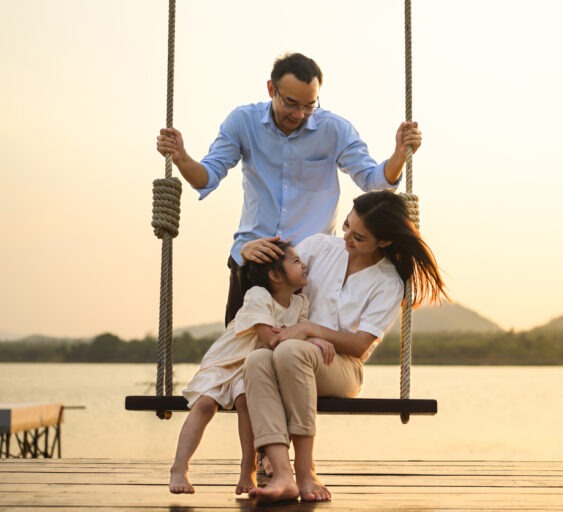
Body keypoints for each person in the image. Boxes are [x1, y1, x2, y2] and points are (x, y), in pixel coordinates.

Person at [155, 52, 422, 326]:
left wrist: (399, 155)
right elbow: (206, 178)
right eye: (291, 104)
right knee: (238, 358)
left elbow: (374, 181)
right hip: (252, 261)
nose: (300, 114)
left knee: (298, 354)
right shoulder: (242, 121)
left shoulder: (335, 130)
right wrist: (181, 158)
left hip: (311, 268)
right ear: (271, 89)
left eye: (309, 105)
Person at [240, 190, 447, 504]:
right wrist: (248, 249)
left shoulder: (388, 282)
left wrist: (310, 329)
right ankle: (282, 473)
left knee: (290, 351)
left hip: (342, 367)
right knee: (256, 359)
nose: (347, 237)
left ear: (384, 242)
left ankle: (306, 470)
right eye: (348, 226)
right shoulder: (319, 247)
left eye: (359, 237)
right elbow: (274, 277)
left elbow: (360, 344)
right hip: (291, 356)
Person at [168, 242, 309, 495]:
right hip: (226, 361)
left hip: (253, 365)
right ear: (275, 276)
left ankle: (248, 468)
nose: (305, 265)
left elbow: (301, 337)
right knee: (205, 404)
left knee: (246, 401)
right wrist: (305, 334)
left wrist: (311, 335)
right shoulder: (258, 295)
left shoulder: (300, 304)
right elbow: (270, 338)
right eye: (297, 261)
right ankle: (179, 468)